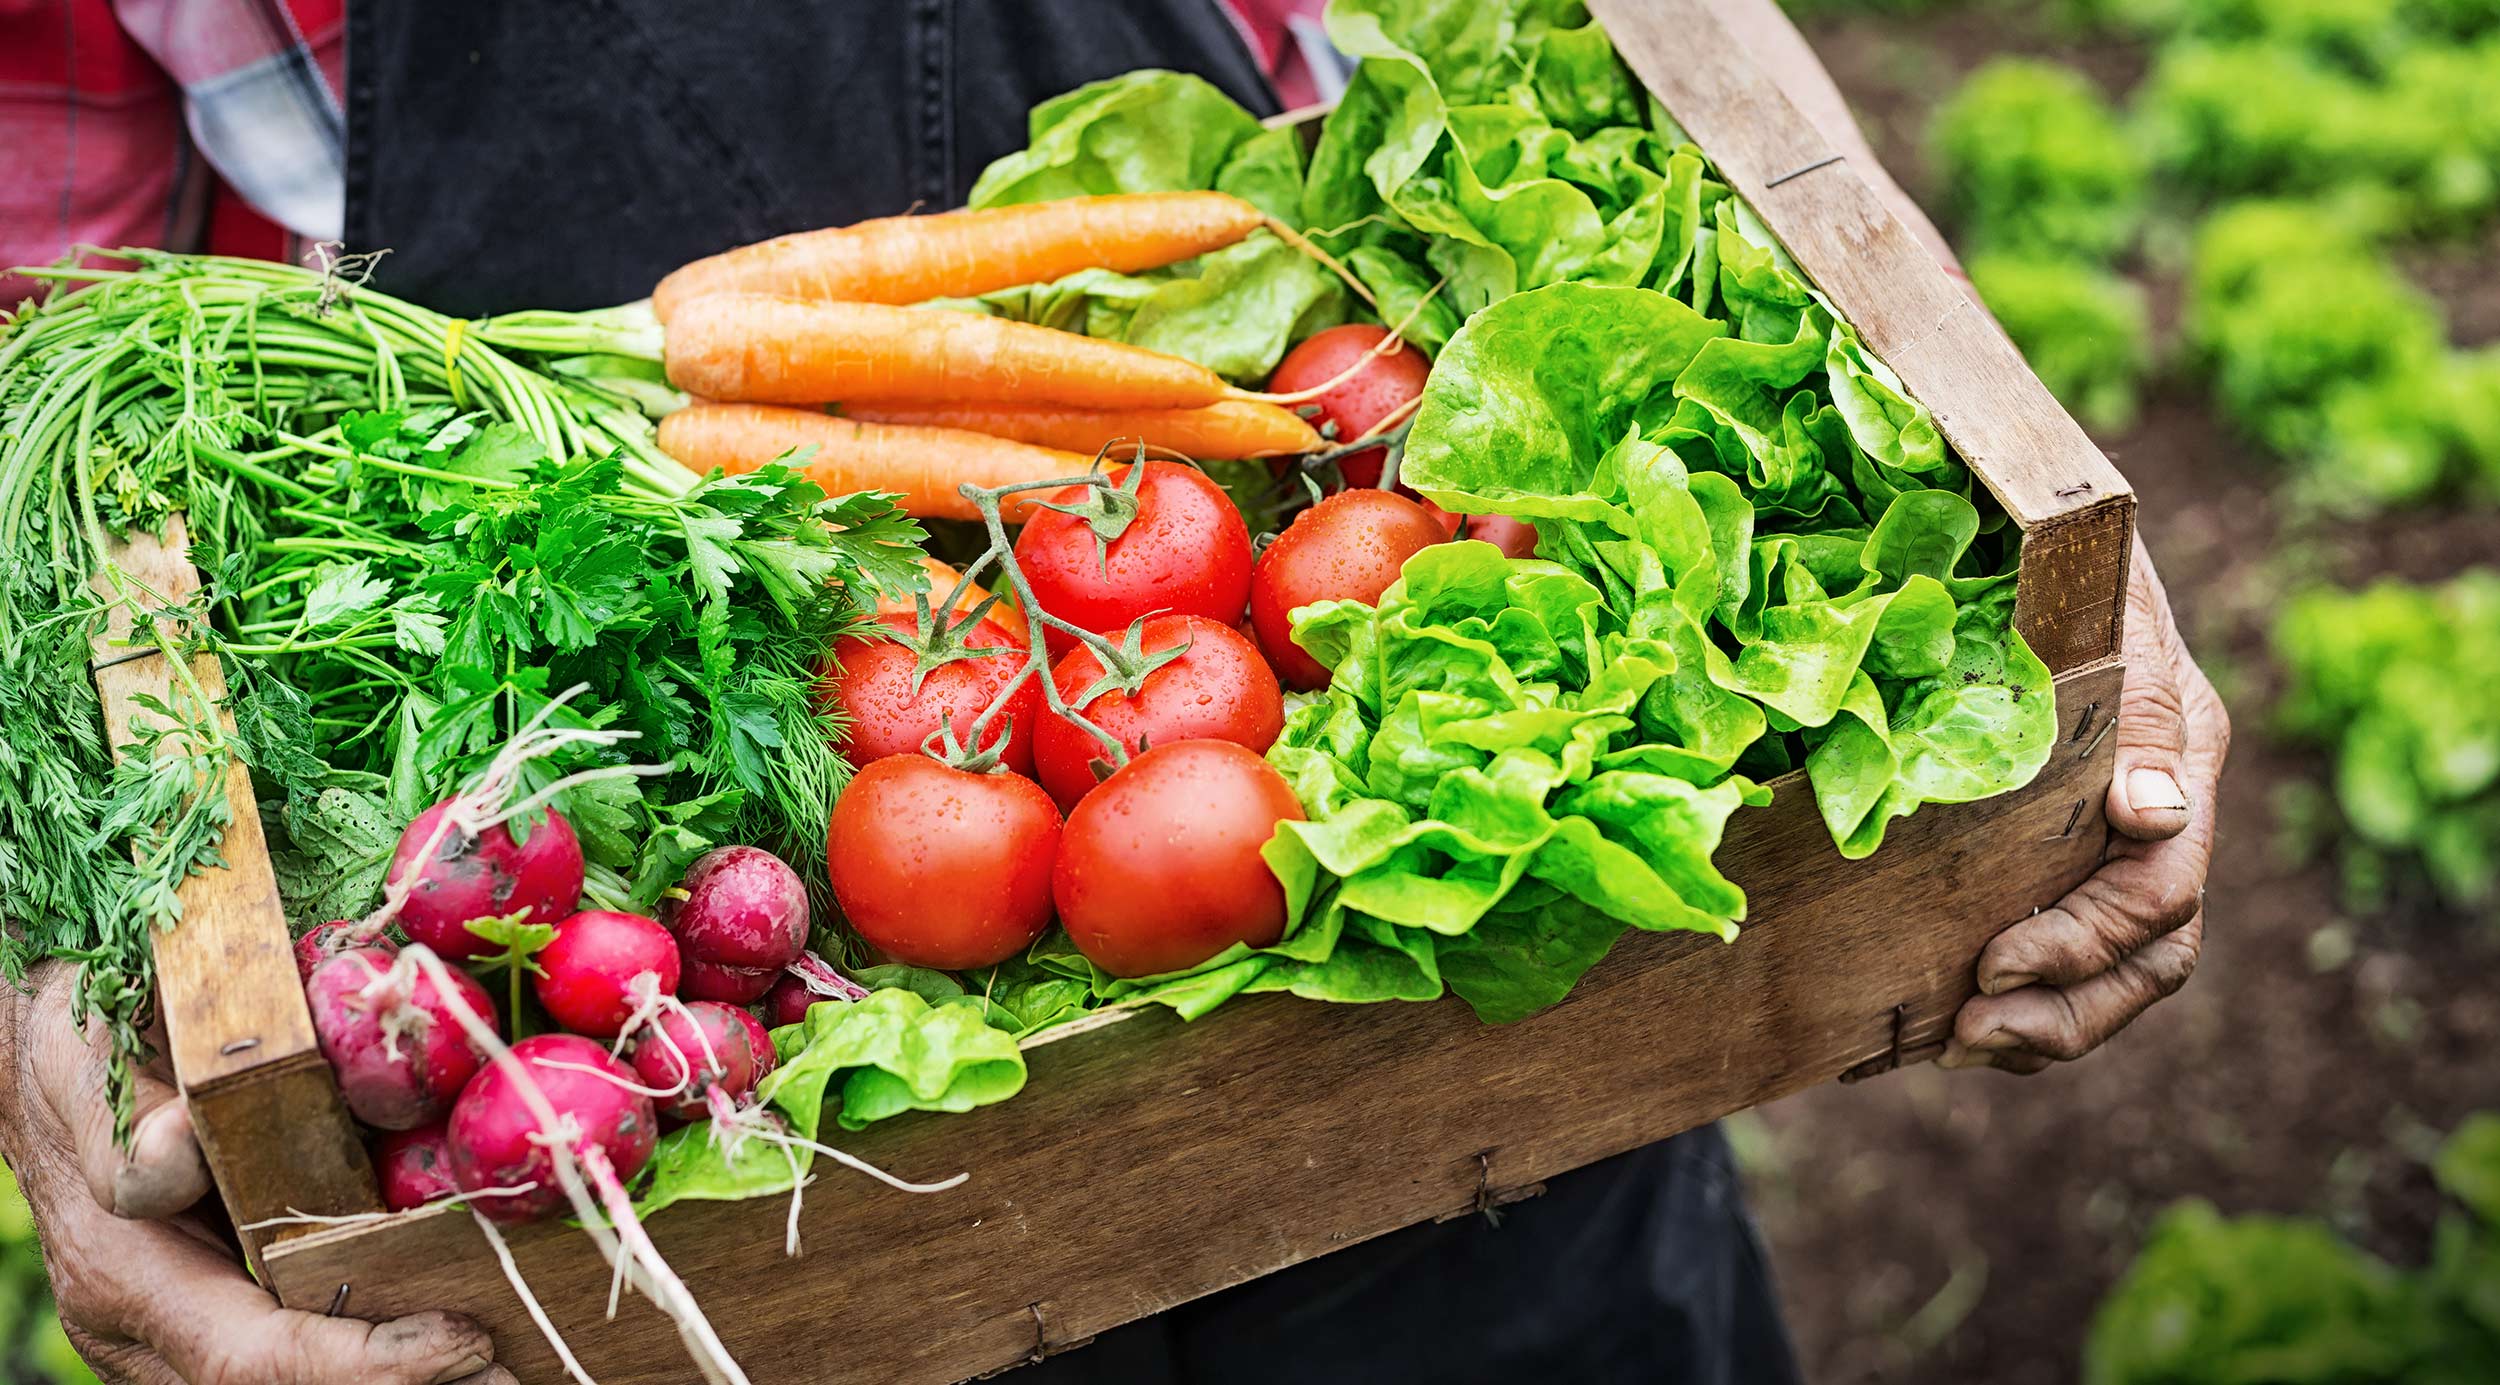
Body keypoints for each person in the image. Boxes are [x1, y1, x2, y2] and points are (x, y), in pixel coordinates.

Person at [0, 1, 2231, 1380]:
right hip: (598, 1031)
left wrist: (1979, 444)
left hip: (1467, 1003)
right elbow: (34, 358)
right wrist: (50, 969)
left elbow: (1666, 44)